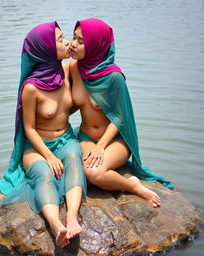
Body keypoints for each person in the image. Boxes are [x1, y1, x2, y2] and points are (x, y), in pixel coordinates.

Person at [0, 21, 87, 248]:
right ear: (45, 49)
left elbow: (94, 67)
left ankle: (72, 217)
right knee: (44, 174)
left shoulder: (68, 71)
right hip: (37, 146)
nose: (66, 41)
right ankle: (56, 225)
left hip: (66, 139)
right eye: (59, 39)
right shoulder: (32, 88)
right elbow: (29, 129)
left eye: (64, 36)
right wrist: (49, 156)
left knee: (75, 158)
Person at [69, 18, 173, 209]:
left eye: (81, 41)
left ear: (95, 45)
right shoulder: (74, 69)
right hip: (84, 137)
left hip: (115, 140)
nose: (73, 44)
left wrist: (101, 146)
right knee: (78, 174)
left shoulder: (113, 77)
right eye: (73, 37)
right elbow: (49, 83)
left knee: (95, 174)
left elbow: (120, 117)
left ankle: (134, 187)